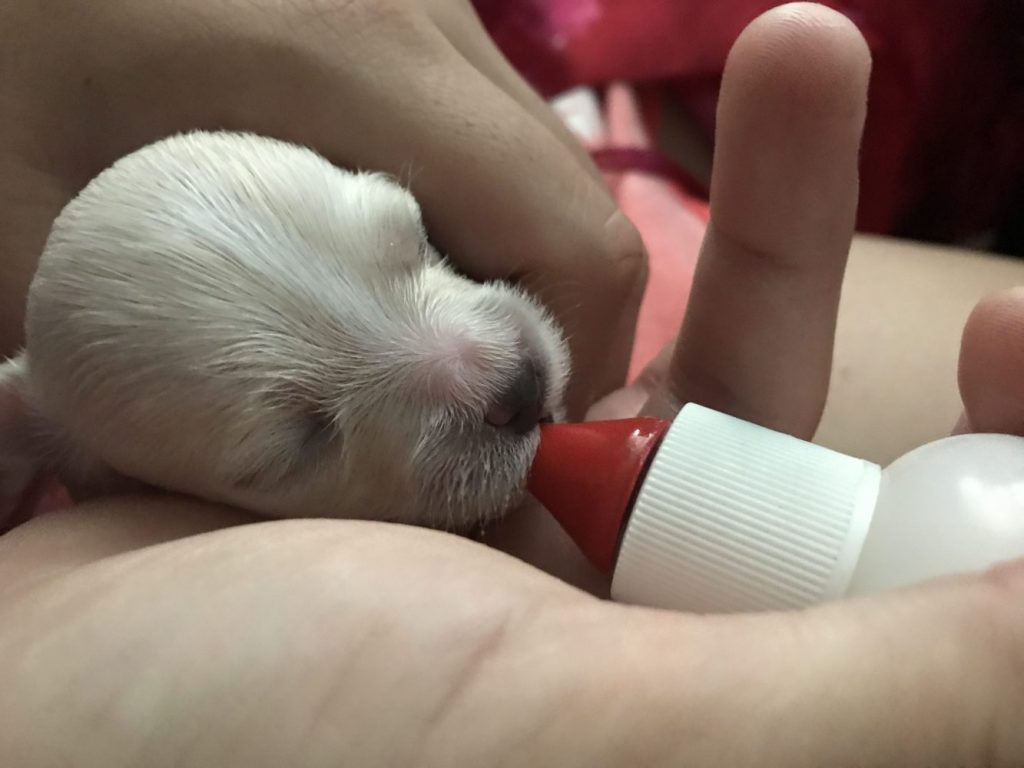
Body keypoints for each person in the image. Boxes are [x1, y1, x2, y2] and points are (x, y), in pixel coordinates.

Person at [0, 1, 1021, 764]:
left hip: (616, 219)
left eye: (403, 239)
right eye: (298, 437)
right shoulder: (57, 506)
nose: (494, 372)